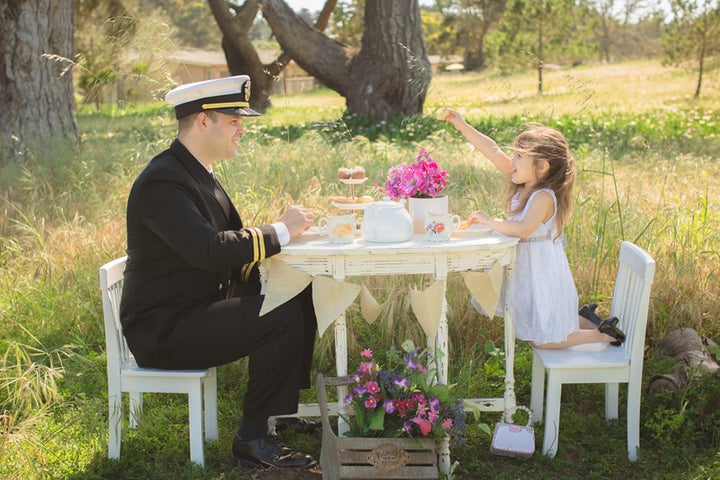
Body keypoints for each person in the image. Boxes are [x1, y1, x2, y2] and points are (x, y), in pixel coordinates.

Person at [119, 75, 318, 469]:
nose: (241, 128)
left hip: (194, 307)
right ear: (203, 121)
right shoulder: (163, 180)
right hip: (166, 328)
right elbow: (209, 250)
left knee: (297, 291)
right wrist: (280, 230)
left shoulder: (192, 170)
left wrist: (282, 246)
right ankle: (252, 438)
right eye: (233, 120)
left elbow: (220, 242)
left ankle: (278, 412)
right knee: (278, 315)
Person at [441, 109, 624, 349]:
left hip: (543, 271)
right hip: (529, 270)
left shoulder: (543, 197)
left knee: (541, 339)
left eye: (518, 156)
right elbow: (492, 150)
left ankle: (605, 334)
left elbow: (523, 229)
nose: (511, 161)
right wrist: (461, 124)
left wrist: (489, 221)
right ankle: (587, 318)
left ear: (542, 166)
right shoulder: (524, 181)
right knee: (540, 323)